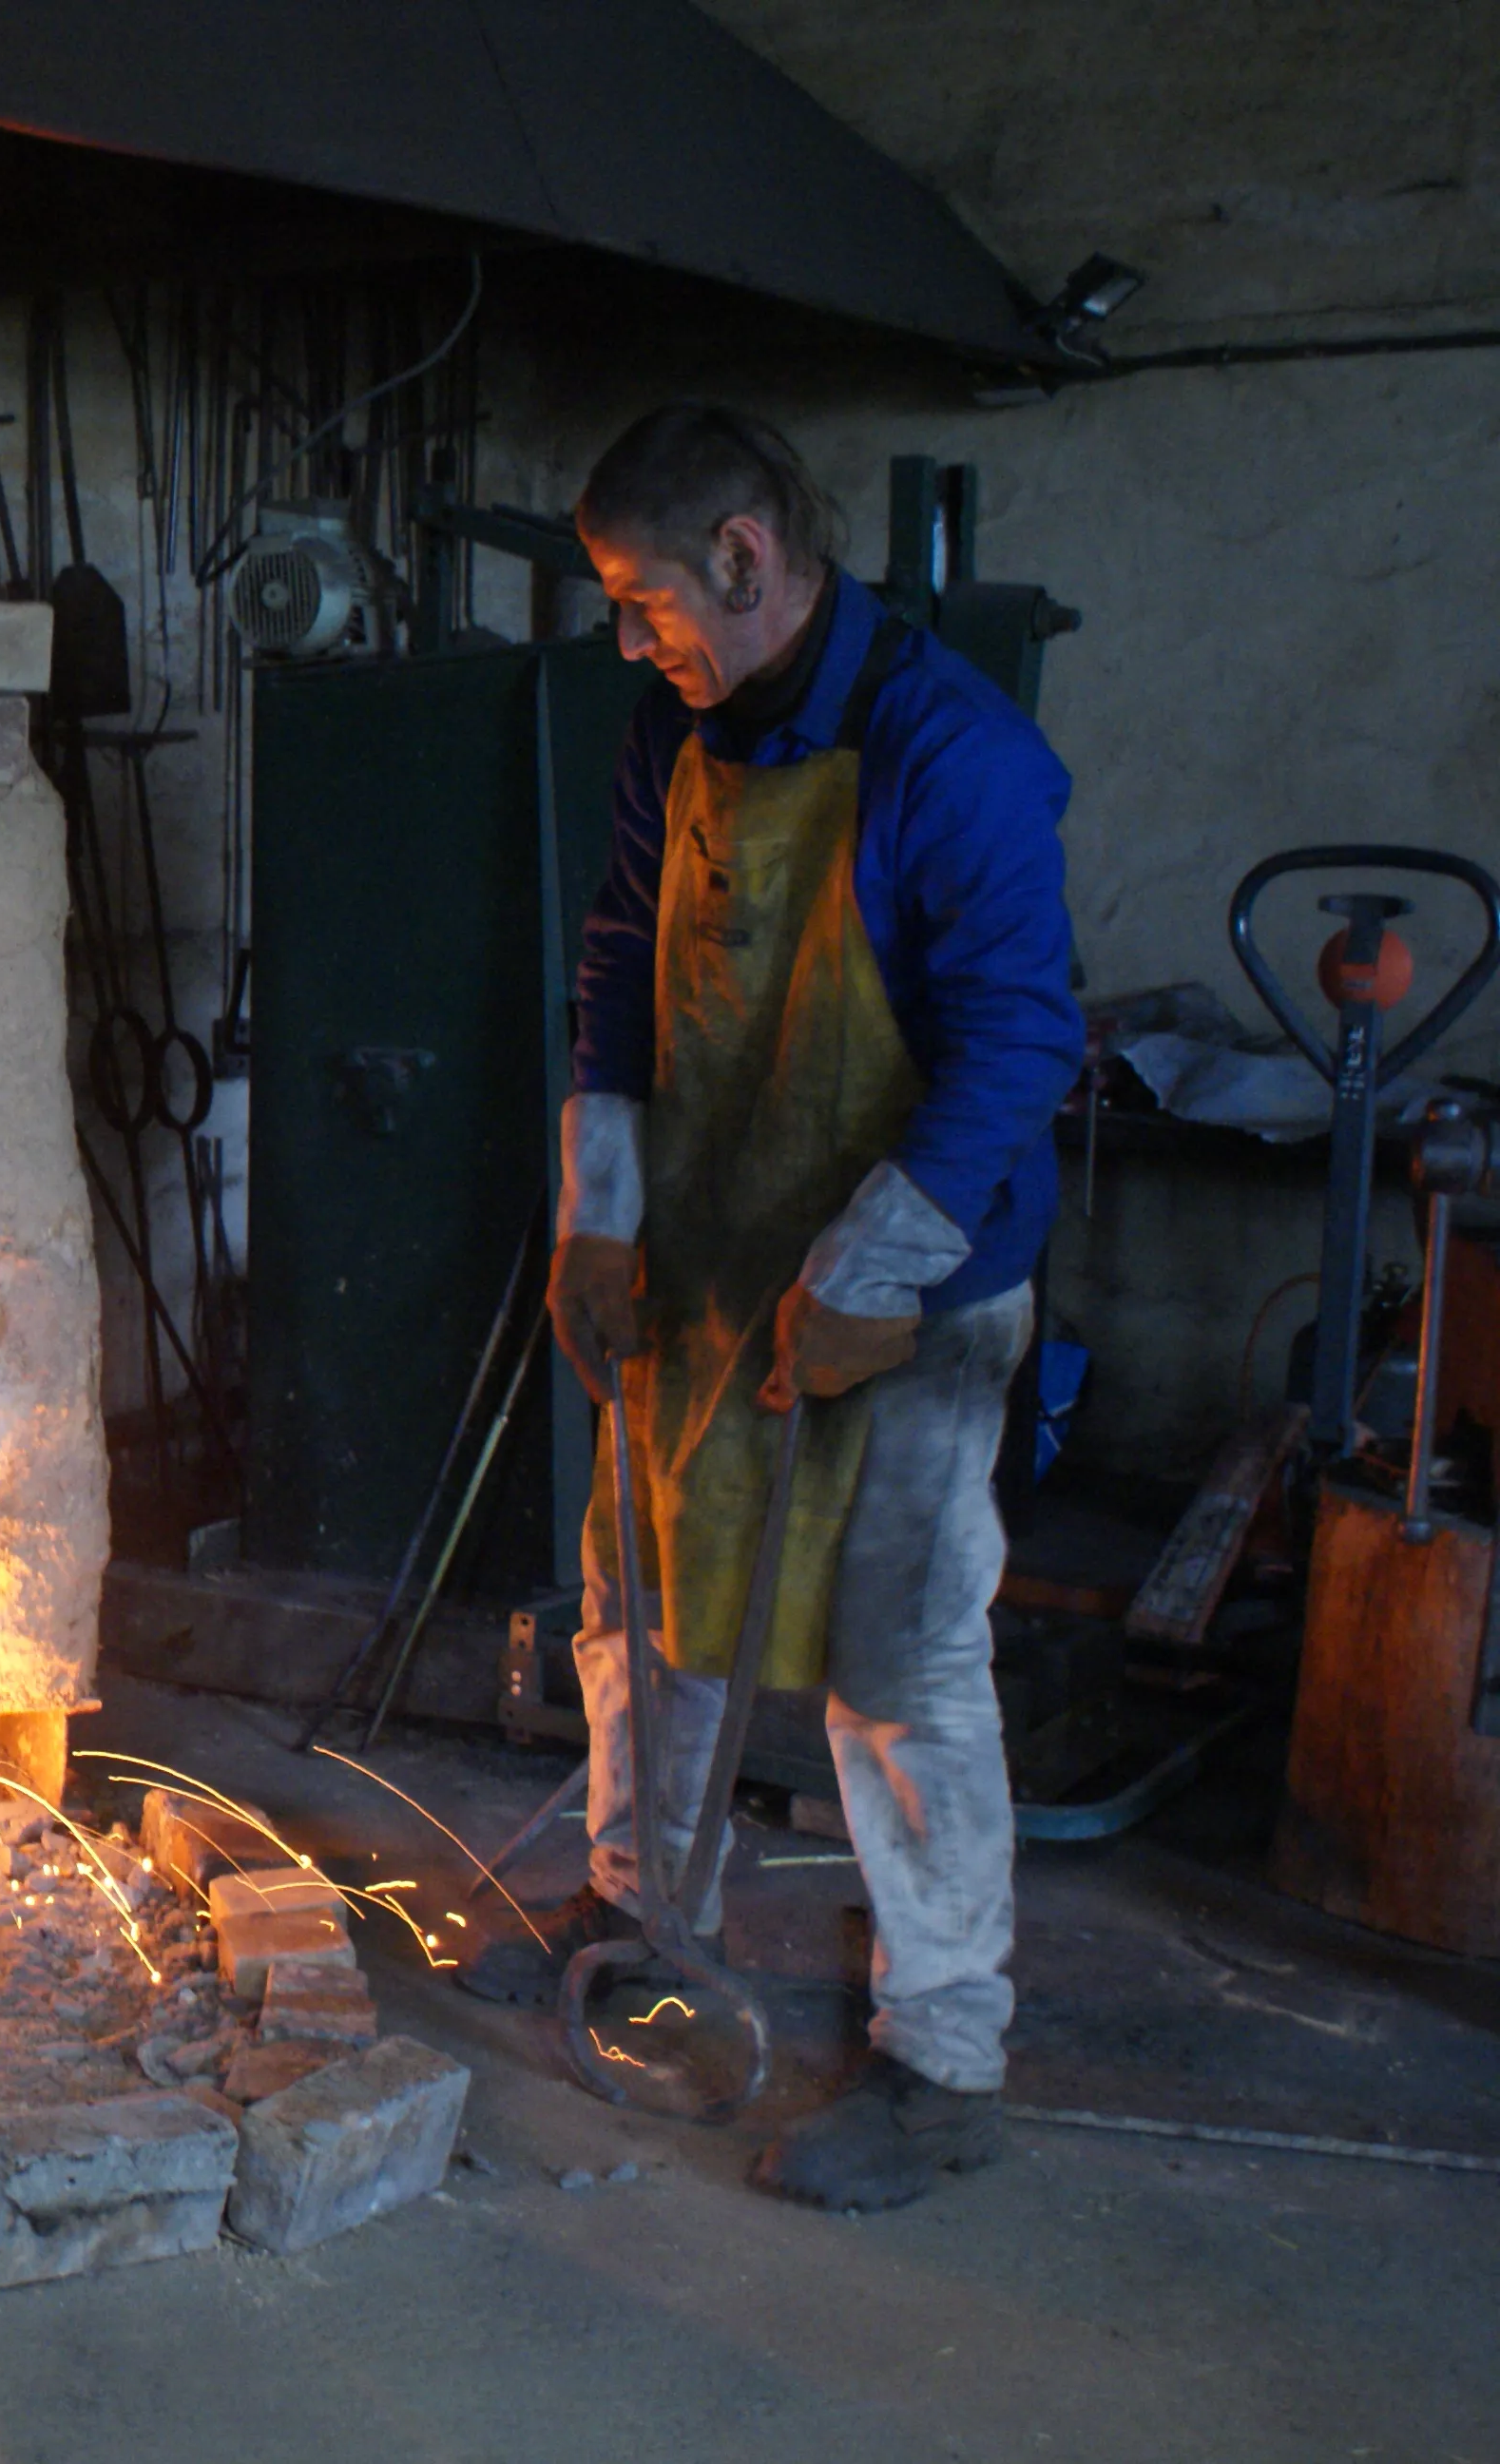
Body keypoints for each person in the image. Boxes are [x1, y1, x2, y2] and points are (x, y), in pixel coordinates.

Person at [456, 404, 1084, 2213]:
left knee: (900, 1678)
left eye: (648, 602)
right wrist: (603, 1218)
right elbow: (615, 976)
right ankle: (641, 1922)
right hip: (713, 1254)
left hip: (914, 1280)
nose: (638, 641)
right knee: (645, 1608)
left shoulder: (954, 754)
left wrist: (876, 1281)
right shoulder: (686, 730)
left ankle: (943, 2067)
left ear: (743, 555)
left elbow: (1018, 1046)